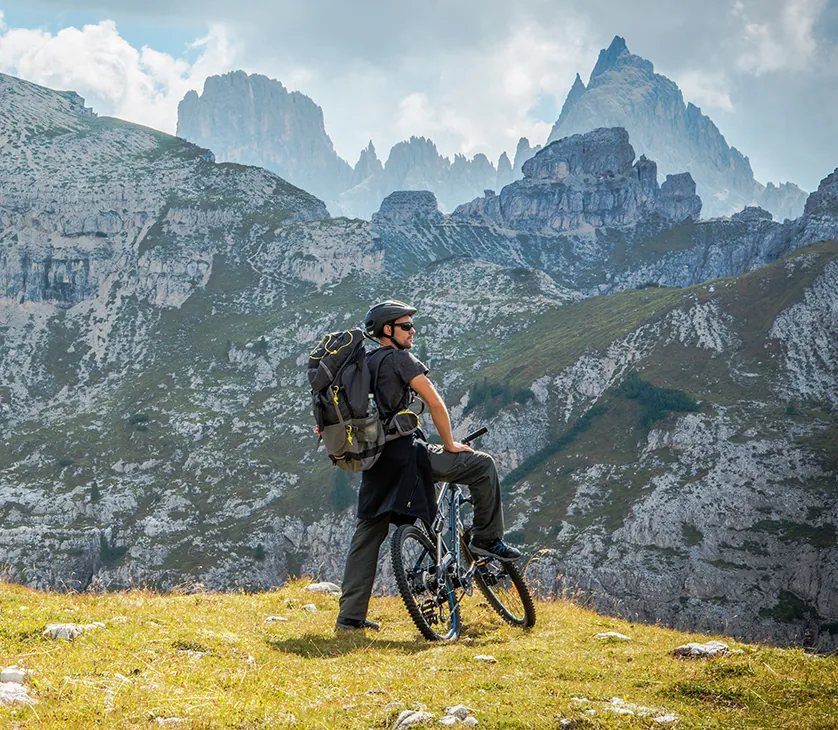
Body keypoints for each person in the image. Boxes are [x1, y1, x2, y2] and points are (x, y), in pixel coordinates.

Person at [335, 299, 521, 632]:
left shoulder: (362, 362)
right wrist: (449, 444)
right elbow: (434, 401)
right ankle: (486, 540)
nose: (412, 331)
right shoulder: (399, 359)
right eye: (406, 326)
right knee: (483, 466)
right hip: (408, 454)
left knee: (367, 534)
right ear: (387, 330)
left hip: (375, 460)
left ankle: (349, 618)